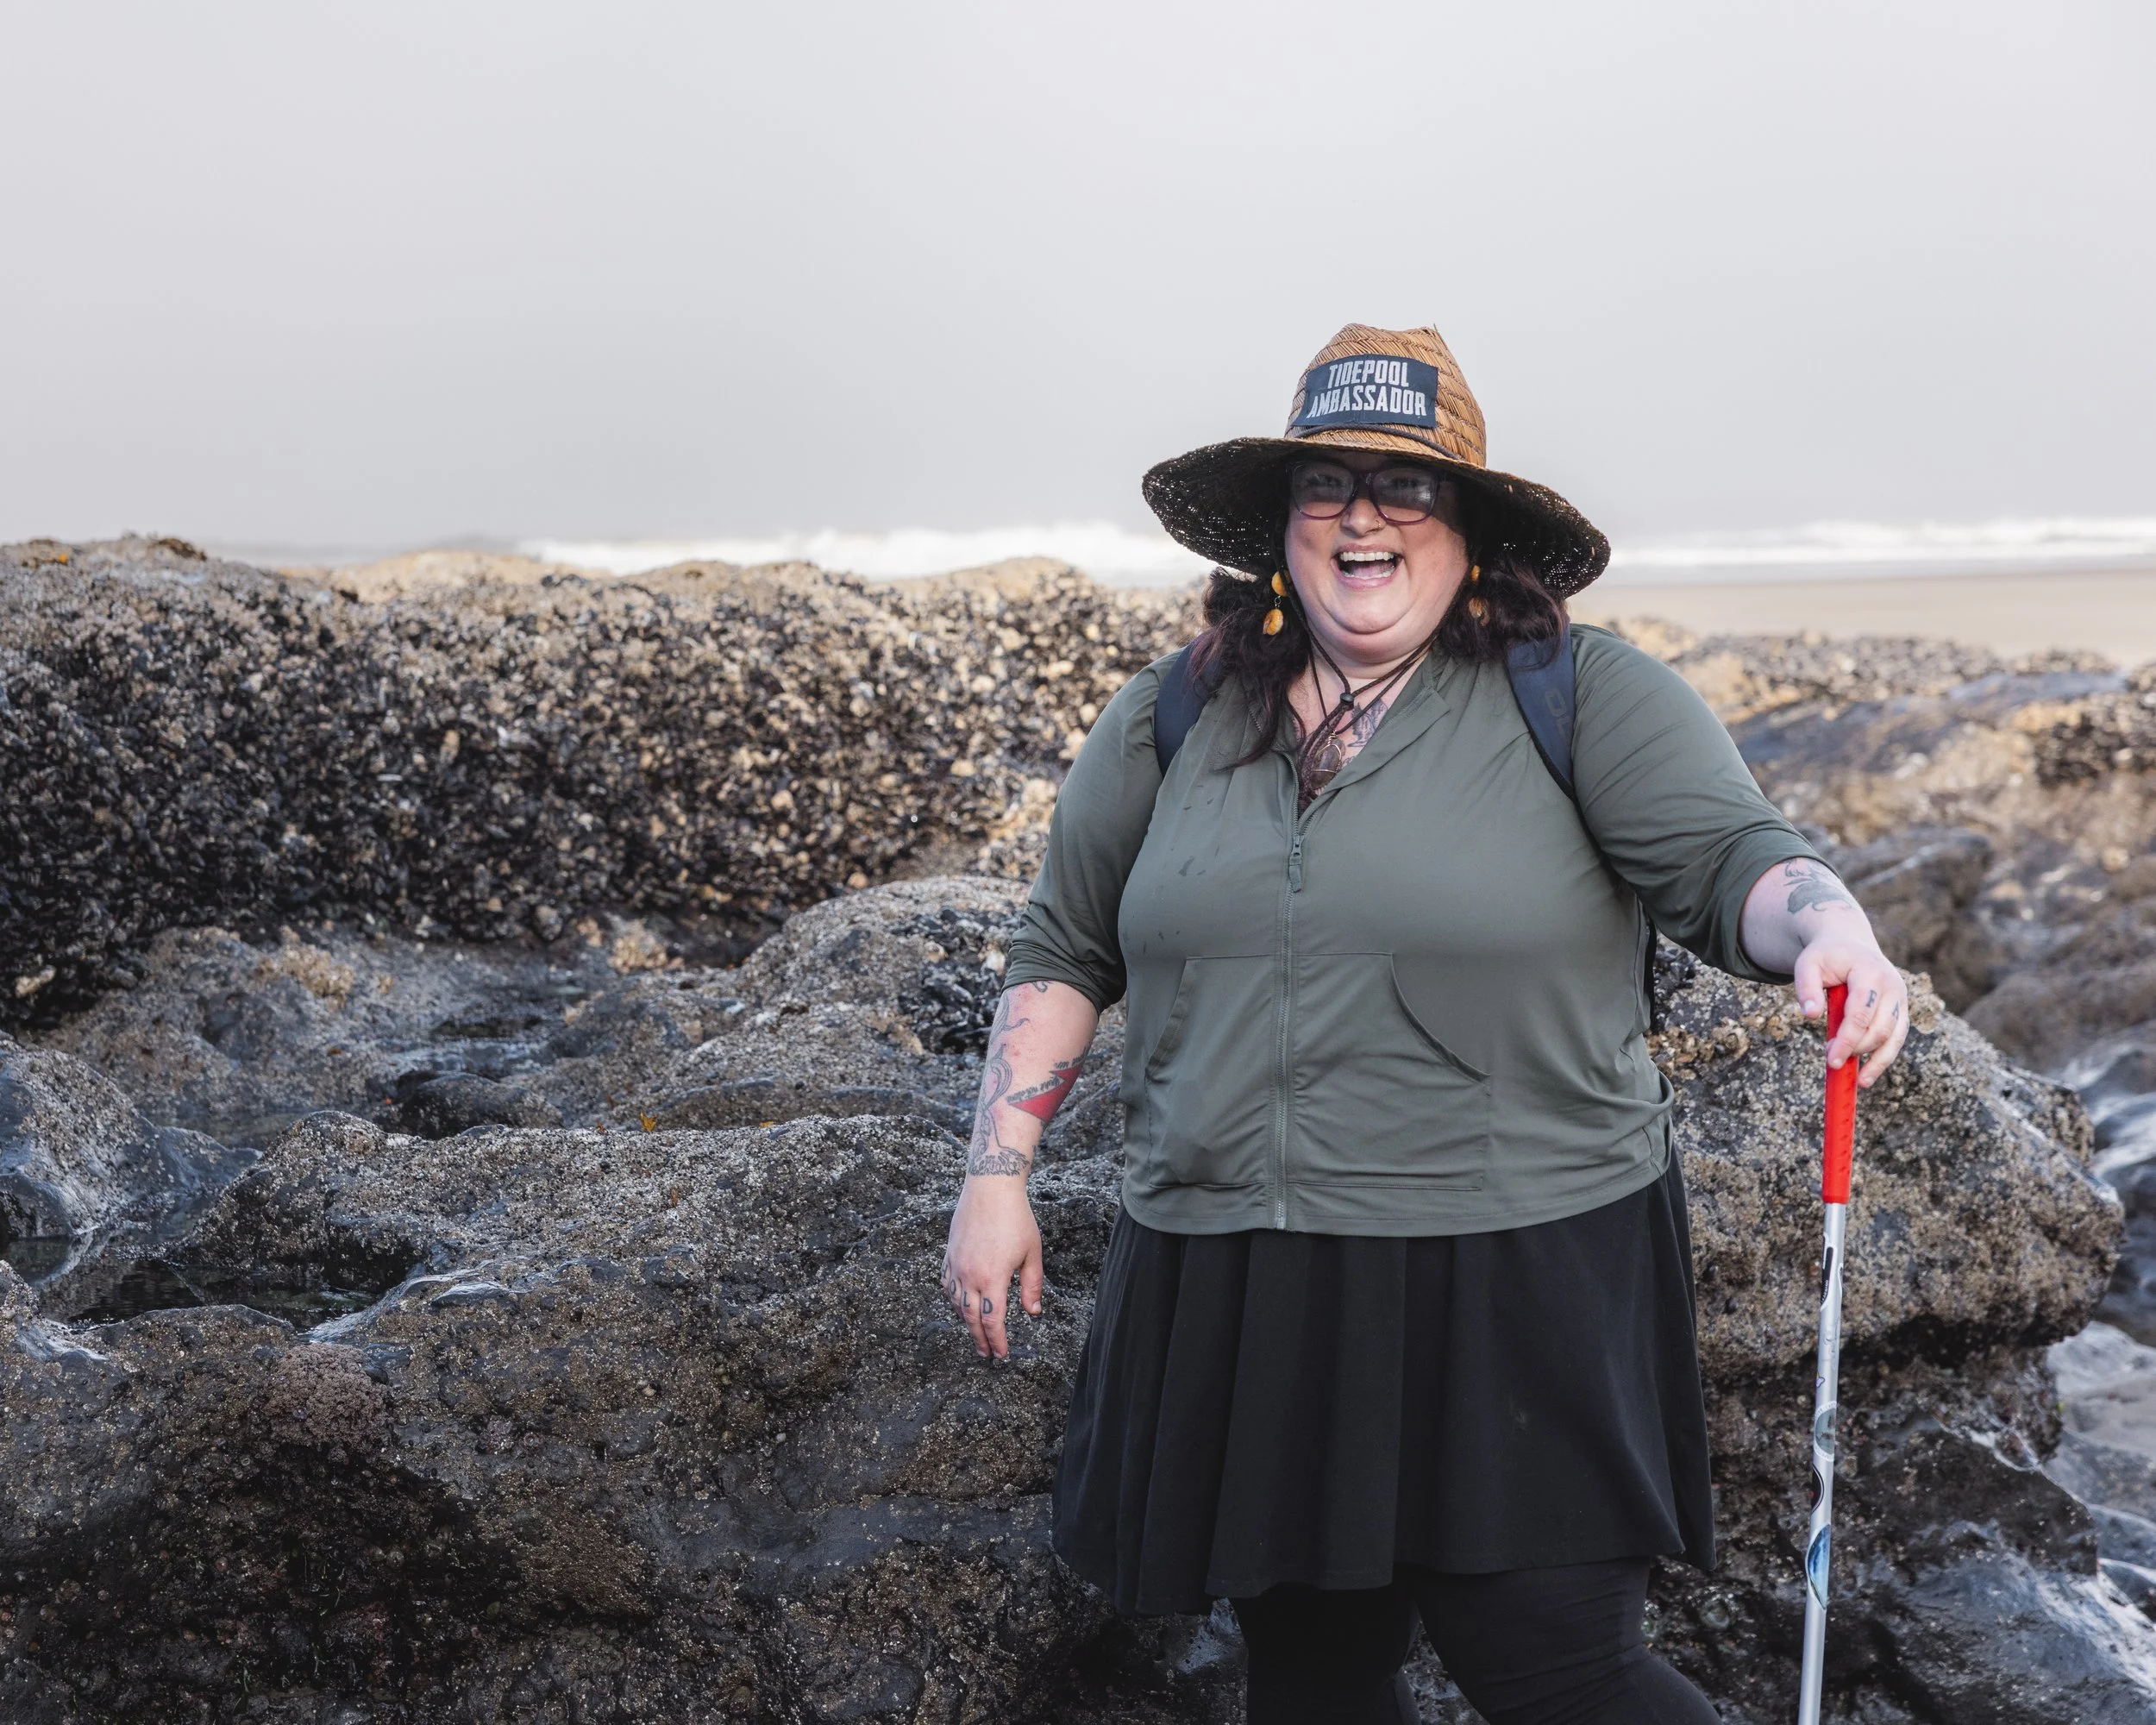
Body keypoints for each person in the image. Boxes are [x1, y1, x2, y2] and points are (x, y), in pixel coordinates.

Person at [941, 323, 1908, 1724]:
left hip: (1514, 1258)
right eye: (1325, 484)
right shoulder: (1173, 714)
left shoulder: (1581, 693)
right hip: (1243, 1259)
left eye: (1406, 485)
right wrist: (996, 1176)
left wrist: (1829, 930)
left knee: (1560, 1670)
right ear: (1281, 525)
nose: (1363, 517)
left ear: (1470, 527)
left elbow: (1736, 865)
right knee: (1315, 1677)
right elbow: (1064, 947)